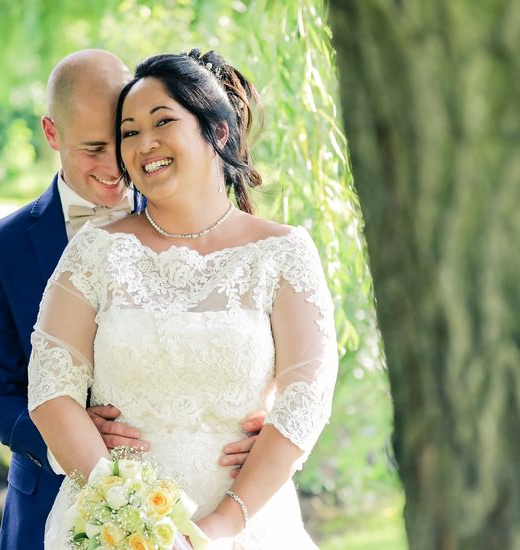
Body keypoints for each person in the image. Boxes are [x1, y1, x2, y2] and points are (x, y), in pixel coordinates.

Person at [28, 49, 338, 548]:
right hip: (116, 527)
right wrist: (129, 513)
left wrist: (215, 529)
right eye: (129, 132)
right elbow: (50, 387)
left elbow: (308, 394)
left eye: (162, 122)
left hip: (245, 523)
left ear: (216, 131)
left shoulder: (282, 252)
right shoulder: (96, 251)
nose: (144, 143)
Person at [0, 49, 263, 550]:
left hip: (193, 498)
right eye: (92, 148)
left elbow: (239, 324)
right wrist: (66, 442)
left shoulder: (189, 211)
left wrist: (254, 411)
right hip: (49, 500)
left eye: (121, 140)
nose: (116, 166)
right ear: (51, 134)